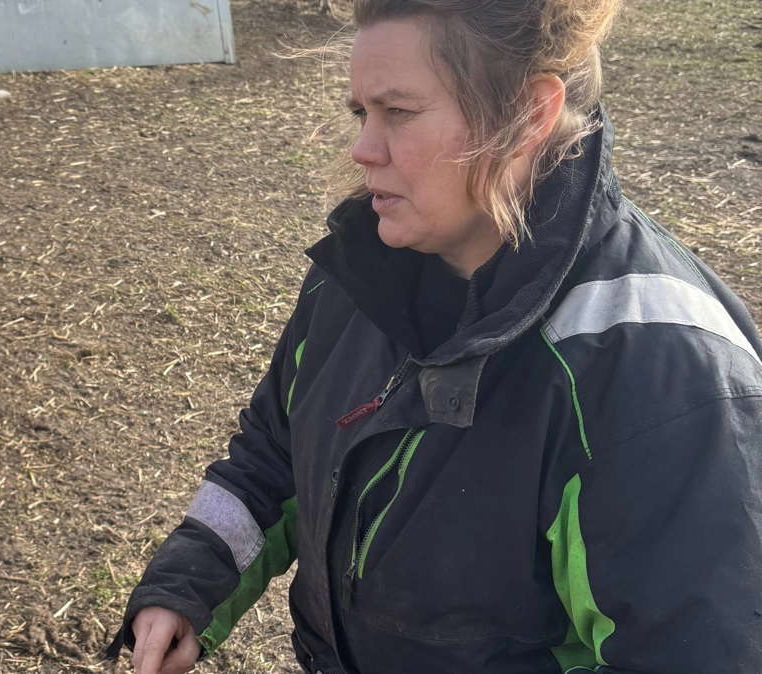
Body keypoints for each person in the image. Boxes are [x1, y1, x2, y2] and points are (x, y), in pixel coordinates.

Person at [105, 0, 762, 672]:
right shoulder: (356, 277)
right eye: (361, 113)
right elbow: (275, 451)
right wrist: (187, 585)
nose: (363, 149)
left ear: (529, 115)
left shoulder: (660, 378)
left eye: (399, 112)